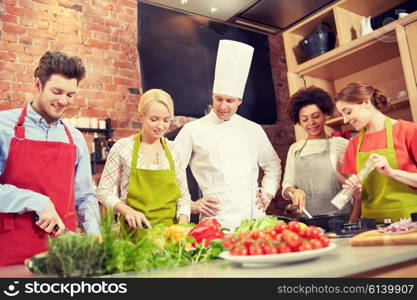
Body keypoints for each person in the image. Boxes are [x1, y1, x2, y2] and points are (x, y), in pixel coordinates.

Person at [0, 51, 101, 266]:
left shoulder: (75, 138)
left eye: (70, 95)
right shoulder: (3, 127)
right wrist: (36, 201)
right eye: (57, 92)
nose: (63, 101)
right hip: (10, 252)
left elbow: (84, 197)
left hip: (63, 253)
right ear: (38, 84)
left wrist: (95, 235)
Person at [174, 40, 281, 230]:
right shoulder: (192, 130)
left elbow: (272, 164)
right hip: (217, 221)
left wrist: (267, 193)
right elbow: (172, 170)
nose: (223, 106)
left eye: (229, 101)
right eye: (218, 99)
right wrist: (190, 204)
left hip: (253, 218)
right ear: (212, 96)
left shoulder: (253, 129)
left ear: (240, 101)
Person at [96, 89, 191, 229]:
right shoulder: (123, 147)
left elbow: (183, 197)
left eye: (166, 120)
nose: (160, 126)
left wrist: (182, 226)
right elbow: (102, 191)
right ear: (140, 116)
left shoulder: (174, 150)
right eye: (154, 119)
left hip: (169, 237)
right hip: (134, 235)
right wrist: (127, 211)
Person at [335, 82, 417, 223]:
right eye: (342, 115)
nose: (345, 120)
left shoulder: (409, 131)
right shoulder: (353, 145)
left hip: (410, 220)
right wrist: (356, 193)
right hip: (372, 225)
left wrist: (392, 172)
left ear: (366, 102)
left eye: (348, 112)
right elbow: (358, 199)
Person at [282, 86, 351, 216]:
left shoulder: (341, 144)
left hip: (341, 217)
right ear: (299, 122)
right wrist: (294, 192)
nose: (311, 122)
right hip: (308, 219)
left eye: (315, 116)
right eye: (305, 119)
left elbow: (354, 186)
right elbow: (287, 186)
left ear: (325, 115)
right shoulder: (295, 149)